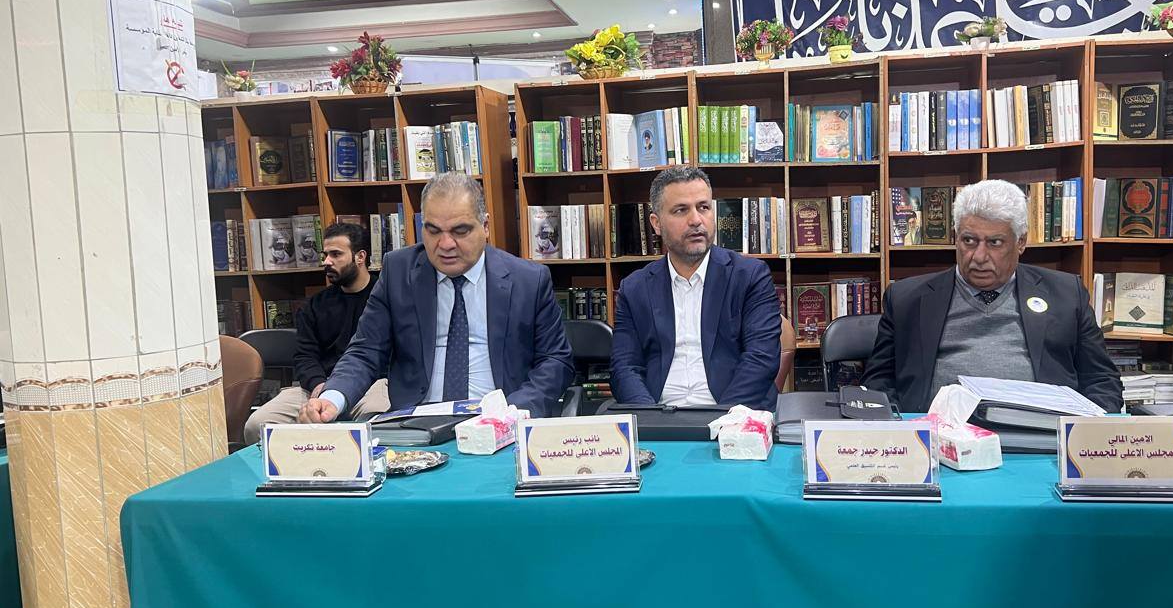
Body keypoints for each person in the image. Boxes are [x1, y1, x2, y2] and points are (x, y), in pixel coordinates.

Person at [300, 172, 574, 422]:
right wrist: (333, 398)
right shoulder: (398, 272)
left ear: (485, 226)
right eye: (433, 231)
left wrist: (515, 411)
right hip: (417, 423)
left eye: (460, 231)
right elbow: (366, 351)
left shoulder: (528, 280)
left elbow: (555, 360)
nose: (445, 245)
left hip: (500, 419)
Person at [864, 179, 1122, 413]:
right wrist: (903, 428)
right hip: (937, 436)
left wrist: (1080, 432)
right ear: (955, 237)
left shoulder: (1066, 295)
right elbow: (878, 383)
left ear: (1021, 242)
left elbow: (1102, 381)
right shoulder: (907, 299)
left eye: (994, 243)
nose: (979, 256)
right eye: (969, 241)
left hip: (1040, 437)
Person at [610, 165, 782, 410]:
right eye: (681, 210)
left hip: (732, 413)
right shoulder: (634, 288)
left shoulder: (750, 276)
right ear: (656, 224)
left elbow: (761, 359)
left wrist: (723, 420)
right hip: (660, 414)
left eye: (703, 207)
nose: (696, 220)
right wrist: (648, 416)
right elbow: (624, 367)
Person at [243, 222, 388, 444]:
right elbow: (305, 355)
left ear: (360, 257)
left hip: (372, 384)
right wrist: (318, 384)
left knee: (378, 423)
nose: (326, 261)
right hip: (319, 386)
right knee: (258, 425)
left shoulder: (384, 299)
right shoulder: (315, 305)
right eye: (325, 255)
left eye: (336, 254)